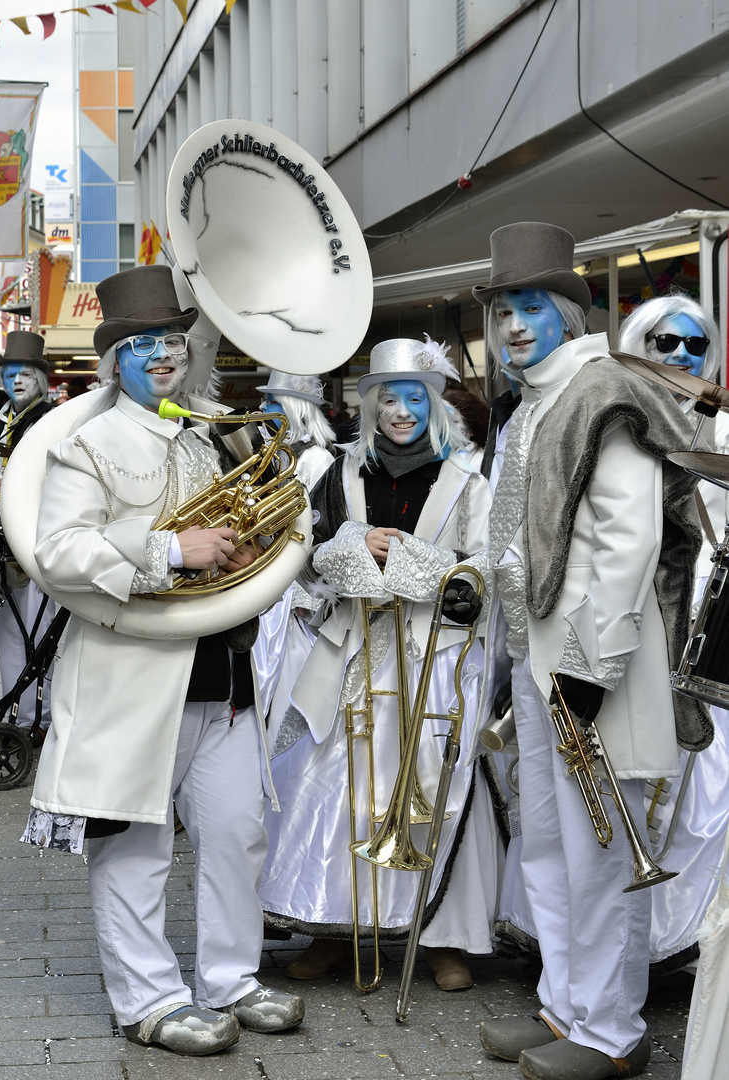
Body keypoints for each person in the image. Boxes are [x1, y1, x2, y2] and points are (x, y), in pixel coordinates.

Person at [21, 264, 304, 1057]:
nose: (163, 355)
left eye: (173, 341)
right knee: (135, 846)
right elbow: (58, 550)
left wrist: (242, 547)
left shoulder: (212, 434)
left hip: (225, 676)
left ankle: (229, 979)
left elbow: (247, 534)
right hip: (135, 678)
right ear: (114, 361)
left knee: (238, 830)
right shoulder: (90, 443)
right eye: (143, 344)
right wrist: (172, 548)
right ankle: (147, 1000)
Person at [472, 223, 710, 1080]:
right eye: (502, 311)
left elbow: (628, 541)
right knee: (548, 842)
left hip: (588, 664)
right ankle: (566, 1006)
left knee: (600, 852)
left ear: (570, 312)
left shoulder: (602, 386)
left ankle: (611, 1033)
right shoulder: (534, 399)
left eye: (529, 306)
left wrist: (587, 668)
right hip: (538, 661)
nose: (513, 325)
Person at [259, 337, 500, 994]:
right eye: (388, 398)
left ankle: (443, 936)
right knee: (336, 786)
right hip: (355, 655)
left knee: (438, 791)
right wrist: (351, 545)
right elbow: (305, 560)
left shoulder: (470, 483)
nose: (401, 411)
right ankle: (337, 932)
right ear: (370, 406)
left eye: (413, 398)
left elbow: (484, 572)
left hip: (436, 661)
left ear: (434, 403)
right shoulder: (338, 474)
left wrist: (418, 566)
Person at [616, 295, 729, 975]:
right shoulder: (616, 420)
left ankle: (684, 948)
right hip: (633, 619)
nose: (681, 356)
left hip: (708, 630)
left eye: (695, 344)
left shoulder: (727, 429)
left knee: (706, 795)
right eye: (665, 342)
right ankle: (621, 954)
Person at [252, 371, 338, 747]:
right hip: (269, 592)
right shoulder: (273, 452)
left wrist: (307, 598)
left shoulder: (317, 459)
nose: (262, 408)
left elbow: (321, 533)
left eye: (272, 402)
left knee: (290, 691)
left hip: (296, 602)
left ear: (294, 408)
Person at [0, 332, 56, 740]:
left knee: (39, 629)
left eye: (26, 373)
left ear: (40, 380)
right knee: (9, 632)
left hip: (35, 536)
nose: (17, 381)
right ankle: (18, 711)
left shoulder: (51, 419)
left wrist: (15, 484)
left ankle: (43, 718)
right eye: (10, 374)